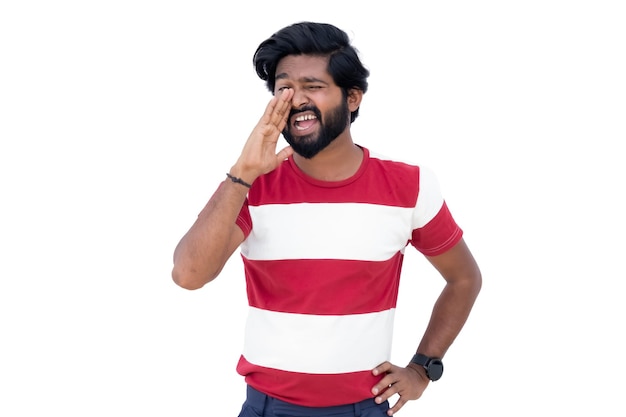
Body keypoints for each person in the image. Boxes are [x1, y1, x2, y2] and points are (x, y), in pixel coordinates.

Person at [172, 21, 482, 417]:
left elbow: (464, 278)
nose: (295, 99)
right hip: (267, 408)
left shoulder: (409, 186)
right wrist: (242, 173)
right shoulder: (251, 186)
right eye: (284, 88)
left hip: (364, 409)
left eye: (312, 86)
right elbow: (188, 275)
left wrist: (423, 368)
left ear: (352, 98)